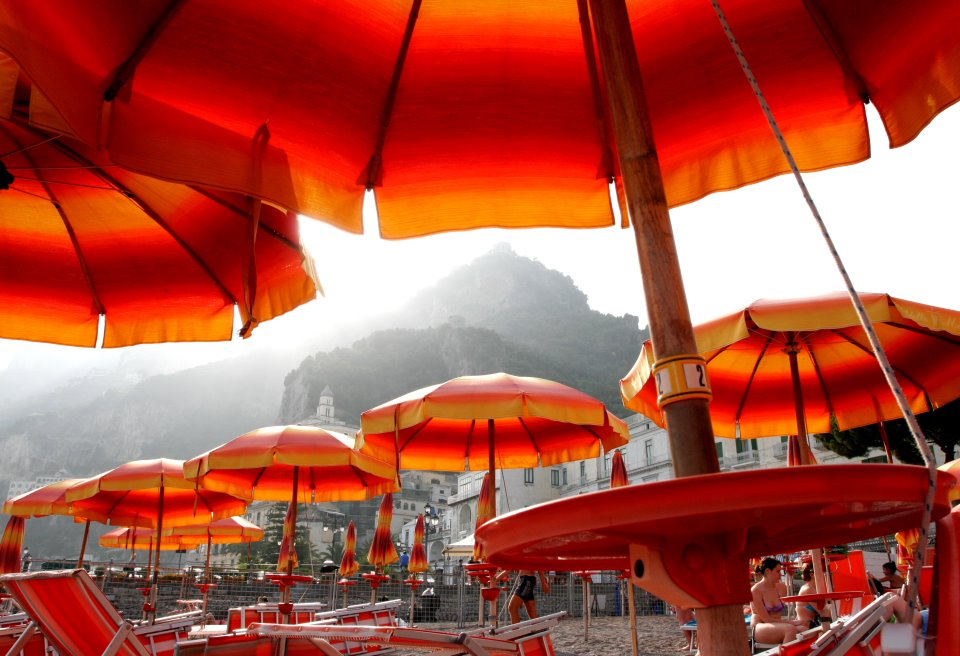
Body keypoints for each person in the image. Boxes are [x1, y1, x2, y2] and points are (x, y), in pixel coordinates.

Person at [750, 557, 805, 645]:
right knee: (790, 629)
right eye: (778, 571)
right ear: (768, 571)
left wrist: (797, 620)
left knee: (804, 629)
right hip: (760, 627)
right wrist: (791, 622)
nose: (781, 575)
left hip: (777, 624)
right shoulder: (756, 591)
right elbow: (766, 619)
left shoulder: (782, 588)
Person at [795, 563, 823, 629]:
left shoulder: (812, 588)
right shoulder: (807, 589)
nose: (823, 574)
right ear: (812, 575)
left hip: (812, 625)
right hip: (806, 627)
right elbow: (822, 611)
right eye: (821, 572)